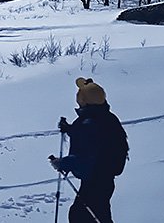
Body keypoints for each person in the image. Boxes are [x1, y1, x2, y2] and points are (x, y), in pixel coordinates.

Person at [47, 77, 128, 223]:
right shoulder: (105, 117)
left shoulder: (89, 123)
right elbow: (95, 142)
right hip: (104, 179)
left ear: (83, 100)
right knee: (98, 215)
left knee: (81, 216)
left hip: (95, 181)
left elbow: (85, 158)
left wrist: (62, 163)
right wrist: (70, 129)